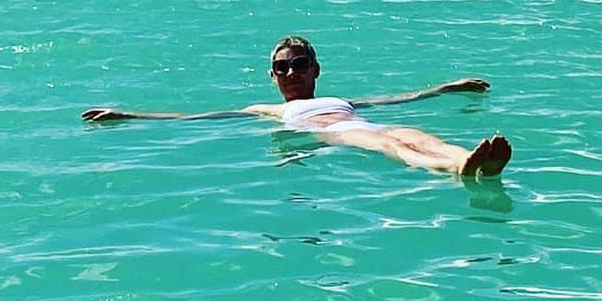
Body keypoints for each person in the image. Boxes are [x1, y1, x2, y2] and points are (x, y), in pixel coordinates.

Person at [82, 35, 512, 178]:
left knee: (414, 135)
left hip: (361, 120)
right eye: (281, 68)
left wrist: (449, 88)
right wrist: (130, 116)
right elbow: (200, 118)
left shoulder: (344, 99)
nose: (290, 74)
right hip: (334, 133)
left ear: (315, 68)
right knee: (391, 147)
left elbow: (403, 97)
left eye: (298, 65)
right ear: (272, 77)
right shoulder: (269, 110)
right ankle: (455, 170)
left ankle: (470, 159)